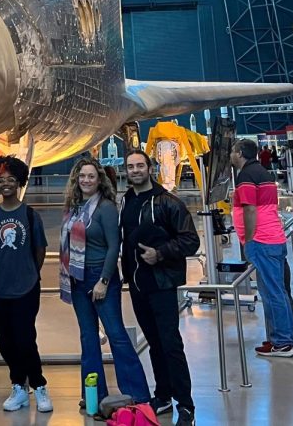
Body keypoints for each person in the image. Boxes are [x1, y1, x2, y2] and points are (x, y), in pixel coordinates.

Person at [60, 157, 151, 415]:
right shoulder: (74, 207)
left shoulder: (106, 208)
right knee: (88, 338)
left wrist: (104, 280)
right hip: (77, 280)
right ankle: (93, 394)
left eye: (91, 176)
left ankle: (137, 393)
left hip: (101, 279)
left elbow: (115, 247)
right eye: (82, 176)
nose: (86, 180)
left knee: (116, 335)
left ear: (100, 180)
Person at [120, 149, 198, 426]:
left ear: (149, 168)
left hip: (162, 284)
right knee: (154, 342)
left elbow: (191, 240)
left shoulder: (168, 203)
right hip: (139, 285)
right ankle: (163, 394)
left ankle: (185, 404)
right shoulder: (127, 201)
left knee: (170, 344)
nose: (135, 170)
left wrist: (161, 253)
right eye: (131, 167)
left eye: (140, 165)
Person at [0, 156, 52, 414]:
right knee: (7, 341)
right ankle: (18, 386)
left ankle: (39, 384)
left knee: (25, 339)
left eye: (11, 179)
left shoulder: (30, 215)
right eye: (1, 180)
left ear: (20, 182)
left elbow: (40, 250)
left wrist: (30, 275)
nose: (6, 184)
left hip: (25, 288)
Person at [231, 139, 293, 358]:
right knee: (276, 291)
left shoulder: (246, 176)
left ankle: (283, 341)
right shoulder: (263, 172)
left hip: (262, 241)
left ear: (239, 153)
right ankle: (281, 337)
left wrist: (248, 240)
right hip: (273, 239)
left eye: (232, 151)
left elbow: (250, 209)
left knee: (272, 292)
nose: (230, 155)